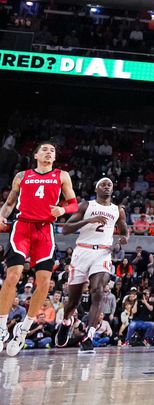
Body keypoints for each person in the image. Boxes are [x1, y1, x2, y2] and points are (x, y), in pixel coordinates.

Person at [0, 141, 78, 356]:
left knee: (44, 282)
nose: (49, 152)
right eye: (44, 149)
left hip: (45, 230)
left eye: (52, 150)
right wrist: (1, 215)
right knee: (13, 275)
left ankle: (24, 328)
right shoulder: (21, 176)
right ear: (35, 155)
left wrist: (62, 209)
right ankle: (1, 328)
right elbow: (9, 204)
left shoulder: (62, 176)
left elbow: (73, 204)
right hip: (22, 227)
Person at [56, 176, 127, 353]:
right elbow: (65, 229)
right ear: (96, 189)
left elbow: (125, 234)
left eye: (109, 184)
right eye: (102, 184)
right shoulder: (86, 206)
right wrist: (88, 221)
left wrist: (120, 243)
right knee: (73, 301)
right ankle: (66, 321)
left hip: (102, 253)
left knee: (98, 291)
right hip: (82, 252)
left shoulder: (118, 210)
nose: (106, 186)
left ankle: (89, 335)